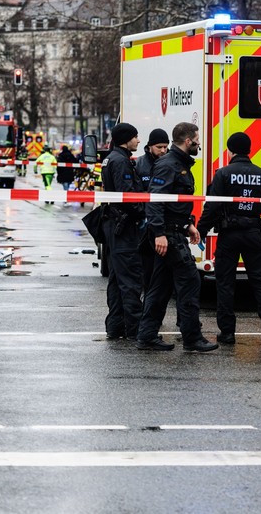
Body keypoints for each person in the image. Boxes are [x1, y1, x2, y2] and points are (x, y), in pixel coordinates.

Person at [136, 122, 218, 353]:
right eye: (197, 139)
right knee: (191, 281)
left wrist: (189, 225)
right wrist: (159, 234)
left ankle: (147, 335)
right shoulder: (168, 165)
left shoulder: (179, 164)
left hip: (175, 231)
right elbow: (155, 201)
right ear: (188, 140)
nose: (199, 143)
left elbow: (176, 203)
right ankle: (192, 338)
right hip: (168, 236)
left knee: (160, 287)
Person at [196, 132, 261, 346]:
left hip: (229, 234)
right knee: (260, 282)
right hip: (255, 233)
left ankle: (227, 333)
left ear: (230, 150)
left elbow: (213, 205)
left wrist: (201, 230)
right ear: (249, 150)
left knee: (225, 284)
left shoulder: (223, 174)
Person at [100, 123, 145, 341]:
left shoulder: (111, 158)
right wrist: (142, 212)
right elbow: (128, 197)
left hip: (113, 226)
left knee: (117, 280)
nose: (138, 141)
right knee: (130, 280)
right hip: (124, 227)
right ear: (126, 139)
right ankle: (136, 330)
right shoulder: (121, 162)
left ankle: (115, 326)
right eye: (135, 137)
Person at [135, 128, 170, 291]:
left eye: (165, 147)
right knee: (146, 268)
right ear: (150, 146)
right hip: (144, 223)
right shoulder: (139, 164)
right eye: (159, 147)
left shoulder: (171, 164)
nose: (163, 151)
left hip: (166, 222)